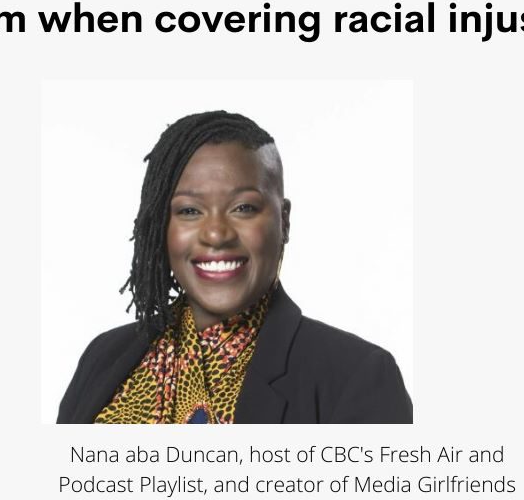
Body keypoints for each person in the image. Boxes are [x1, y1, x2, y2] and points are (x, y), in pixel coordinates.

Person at [58, 111, 412, 424]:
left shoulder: (356, 376)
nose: (216, 234)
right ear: (159, 227)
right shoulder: (104, 357)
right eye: (189, 211)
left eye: (243, 208)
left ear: (284, 221)